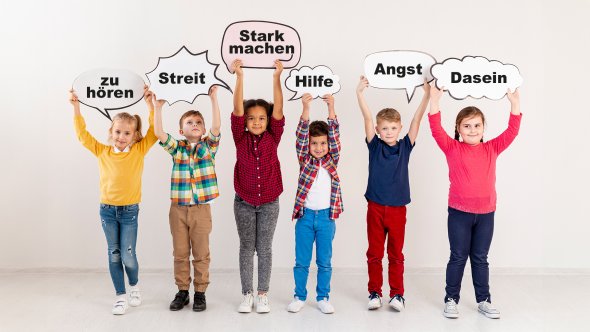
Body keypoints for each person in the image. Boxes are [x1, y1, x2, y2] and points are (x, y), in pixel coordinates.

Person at [428, 83, 522, 319]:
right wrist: (435, 101)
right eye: (467, 126)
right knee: (458, 256)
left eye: (477, 125)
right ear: (458, 129)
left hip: (486, 213)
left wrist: (515, 104)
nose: (472, 130)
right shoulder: (451, 147)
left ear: (483, 128)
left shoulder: (492, 148)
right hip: (459, 212)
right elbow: (435, 128)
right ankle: (451, 299)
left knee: (480, 258)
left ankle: (484, 299)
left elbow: (512, 131)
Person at [69, 86, 158, 315]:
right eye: (118, 132)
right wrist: (76, 107)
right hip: (107, 211)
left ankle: (134, 285)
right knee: (114, 253)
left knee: (128, 254)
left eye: (127, 133)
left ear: (134, 135)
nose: (121, 137)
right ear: (111, 131)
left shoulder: (139, 150)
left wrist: (150, 106)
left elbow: (154, 132)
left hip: (129, 212)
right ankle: (120, 295)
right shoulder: (102, 151)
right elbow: (82, 135)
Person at [356, 76, 430, 311]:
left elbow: (417, 119)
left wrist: (426, 95)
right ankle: (374, 292)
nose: (389, 132)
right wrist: (360, 94)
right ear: (378, 130)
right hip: (375, 207)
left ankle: (397, 294)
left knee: (396, 253)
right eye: (385, 128)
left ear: (399, 128)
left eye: (393, 128)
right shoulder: (374, 145)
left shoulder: (405, 146)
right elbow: (367, 117)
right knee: (375, 253)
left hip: (398, 209)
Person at [152, 86, 221, 312]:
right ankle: (182, 291)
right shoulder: (177, 149)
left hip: (201, 209)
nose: (195, 125)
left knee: (201, 253)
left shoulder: (208, 147)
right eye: (190, 122)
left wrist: (213, 99)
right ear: (181, 130)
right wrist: (157, 108)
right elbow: (159, 134)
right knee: (180, 252)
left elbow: (217, 127)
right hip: (178, 209)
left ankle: (200, 292)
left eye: (198, 122)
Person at [230, 59, 285, 313]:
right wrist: (239, 77)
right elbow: (237, 110)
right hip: (243, 201)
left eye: (261, 118)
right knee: (246, 248)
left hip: (269, 202)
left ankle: (263, 293)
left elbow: (278, 111)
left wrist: (277, 77)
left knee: (264, 248)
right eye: (252, 118)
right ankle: (247, 294)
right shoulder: (239, 136)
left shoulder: (273, 136)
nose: (256, 122)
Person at [287, 93, 342, 314]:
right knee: (301, 261)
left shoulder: (332, 159)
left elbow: (335, 136)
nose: (318, 147)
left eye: (322, 143)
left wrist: (331, 108)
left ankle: (323, 296)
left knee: (324, 262)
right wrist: (306, 108)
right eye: (314, 143)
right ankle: (299, 296)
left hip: (327, 218)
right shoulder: (305, 160)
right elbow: (301, 136)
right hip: (305, 217)